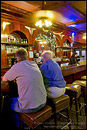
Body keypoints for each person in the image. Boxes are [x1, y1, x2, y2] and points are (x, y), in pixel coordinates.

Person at [2, 47, 47, 128]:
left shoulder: (17, 66)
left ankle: (19, 126)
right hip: (43, 101)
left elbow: (4, 79)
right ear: (26, 56)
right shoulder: (34, 64)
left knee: (7, 102)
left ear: (17, 57)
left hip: (31, 107)